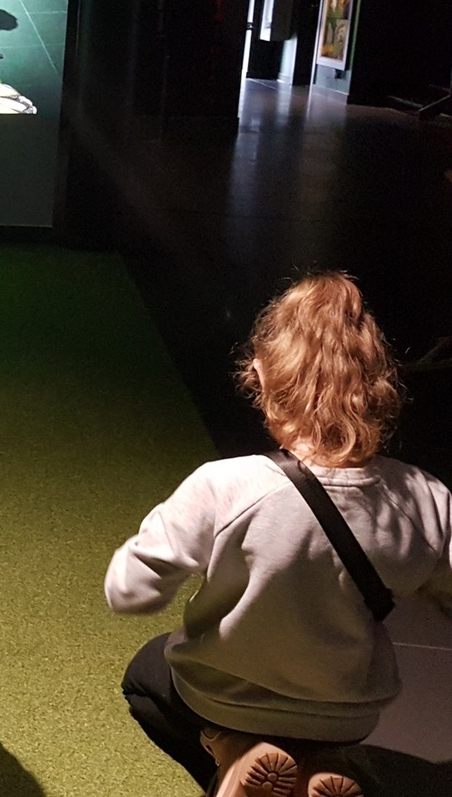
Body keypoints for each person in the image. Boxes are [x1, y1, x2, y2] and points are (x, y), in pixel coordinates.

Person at [107, 272, 452, 797]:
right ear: (376, 386)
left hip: (222, 699)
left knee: (145, 675)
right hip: (346, 713)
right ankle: (326, 760)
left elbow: (130, 591)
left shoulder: (226, 485)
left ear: (262, 376)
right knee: (323, 725)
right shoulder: (423, 497)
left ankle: (229, 751)